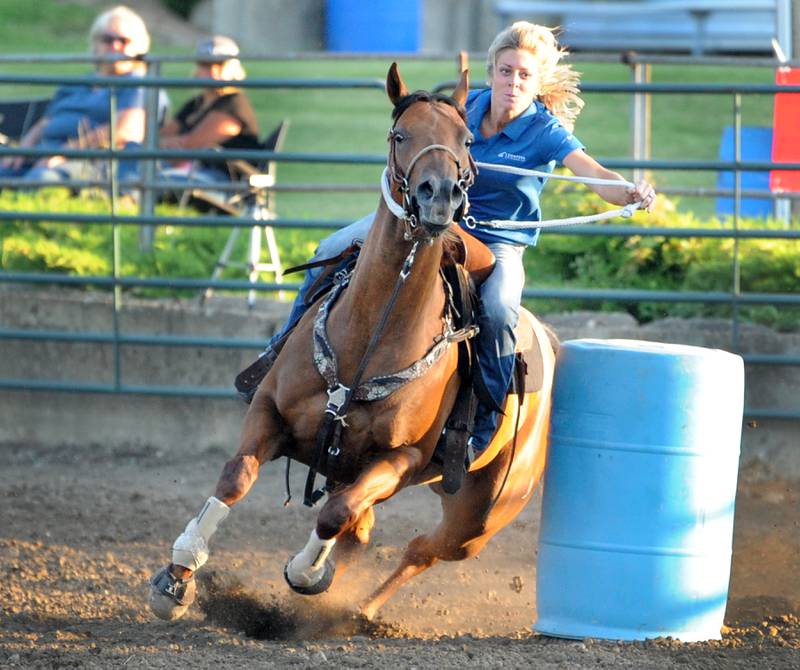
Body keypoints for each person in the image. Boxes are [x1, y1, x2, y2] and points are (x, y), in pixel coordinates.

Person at [237, 21, 657, 455]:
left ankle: (486, 419)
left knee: (498, 308)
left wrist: (628, 190)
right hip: (433, 219)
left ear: (538, 82)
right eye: (506, 71)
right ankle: (280, 352)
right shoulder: (465, 110)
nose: (513, 83)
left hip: (496, 243)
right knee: (329, 250)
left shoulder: (545, 131)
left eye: (524, 75)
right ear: (492, 71)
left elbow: (593, 173)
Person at [0, 5, 150, 185]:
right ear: (95, 43)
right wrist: (23, 150)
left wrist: (66, 153)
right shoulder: (75, 83)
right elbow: (45, 122)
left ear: (139, 48)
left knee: (40, 180)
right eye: (107, 39)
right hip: (44, 152)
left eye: (123, 41)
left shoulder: (136, 85)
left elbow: (124, 131)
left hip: (90, 160)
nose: (115, 46)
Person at [157, 35, 260, 195]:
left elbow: (190, 146)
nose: (213, 70)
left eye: (220, 64)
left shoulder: (234, 104)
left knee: (151, 177)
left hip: (220, 179)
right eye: (206, 64)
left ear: (233, 67)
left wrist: (164, 145)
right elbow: (160, 136)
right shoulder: (196, 103)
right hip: (190, 172)